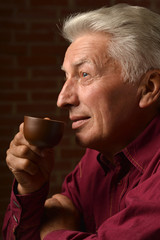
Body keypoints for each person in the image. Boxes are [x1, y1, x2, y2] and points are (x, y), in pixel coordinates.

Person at [2, 3, 160, 239]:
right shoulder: (95, 160)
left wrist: (54, 234)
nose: (62, 99)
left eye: (84, 74)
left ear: (148, 88)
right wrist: (31, 189)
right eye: (66, 77)